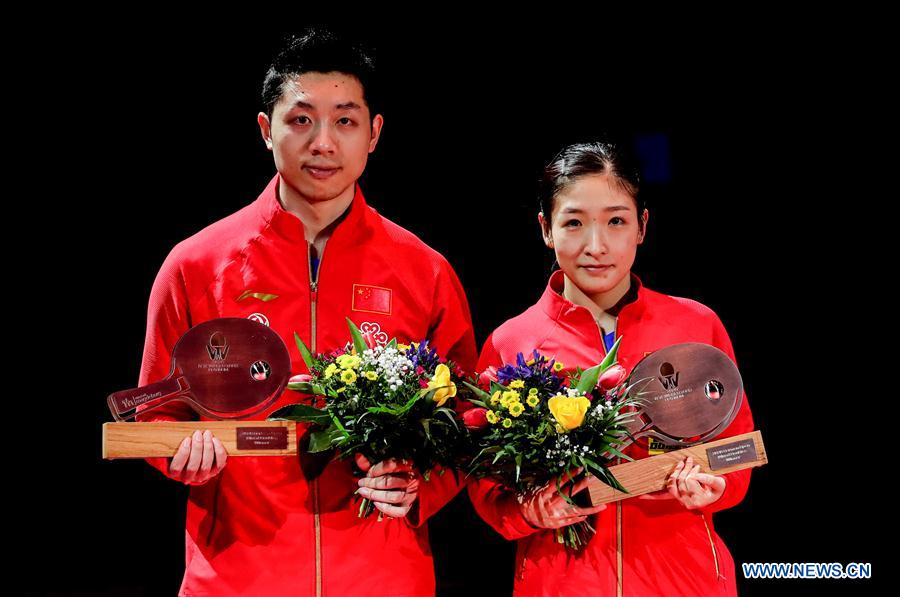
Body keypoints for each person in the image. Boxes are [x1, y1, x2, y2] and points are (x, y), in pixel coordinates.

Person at [136, 28, 476, 596]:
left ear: (375, 134)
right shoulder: (196, 264)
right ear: (266, 130)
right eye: (300, 120)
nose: (323, 143)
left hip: (385, 576)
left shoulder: (425, 270)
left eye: (345, 120)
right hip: (237, 576)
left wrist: (421, 487)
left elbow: (467, 417)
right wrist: (178, 456)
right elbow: (154, 412)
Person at [468, 141, 754, 596]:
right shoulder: (511, 343)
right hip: (560, 584)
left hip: (686, 580)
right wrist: (529, 511)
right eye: (574, 223)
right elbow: (486, 486)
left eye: (616, 221)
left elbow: (738, 451)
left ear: (642, 226)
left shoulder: (697, 325)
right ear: (546, 228)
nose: (596, 246)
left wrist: (713, 485)